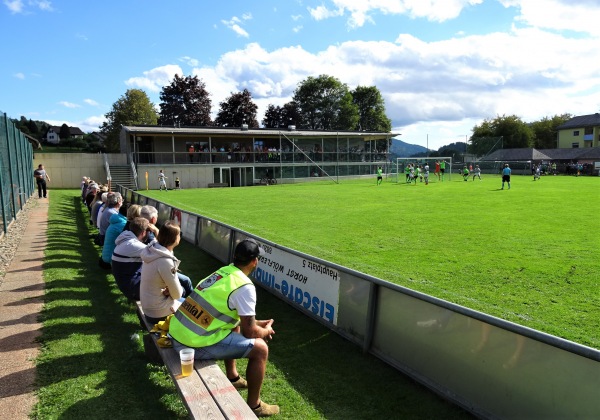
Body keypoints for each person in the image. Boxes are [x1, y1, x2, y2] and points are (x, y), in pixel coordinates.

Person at [169, 239, 280, 417]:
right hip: (190, 345)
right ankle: (255, 405)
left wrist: (256, 323)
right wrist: (265, 331)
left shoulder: (223, 272)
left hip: (177, 333)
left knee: (233, 325)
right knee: (261, 349)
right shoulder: (245, 286)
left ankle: (233, 376)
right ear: (255, 262)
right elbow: (250, 332)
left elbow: (234, 317)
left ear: (235, 257)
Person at [140, 221, 193, 324]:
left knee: (185, 295)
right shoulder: (165, 261)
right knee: (194, 311)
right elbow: (177, 295)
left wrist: (169, 291)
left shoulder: (154, 250)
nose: (180, 237)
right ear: (174, 238)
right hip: (158, 313)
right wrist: (171, 291)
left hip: (149, 307)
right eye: (179, 234)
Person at [112, 217, 157, 301]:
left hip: (129, 284)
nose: (149, 234)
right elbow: (159, 253)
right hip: (133, 290)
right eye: (149, 232)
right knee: (179, 287)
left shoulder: (126, 239)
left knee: (180, 281)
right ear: (144, 232)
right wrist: (156, 232)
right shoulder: (133, 245)